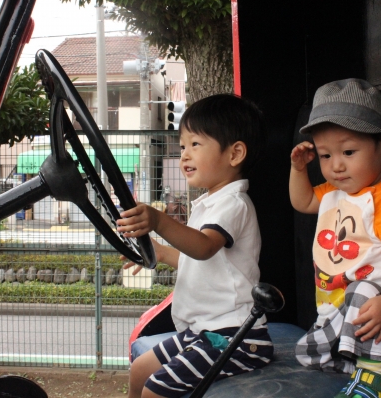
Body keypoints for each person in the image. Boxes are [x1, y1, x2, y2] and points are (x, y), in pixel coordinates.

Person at [116, 93, 272, 398]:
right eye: (183, 146)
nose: (184, 154)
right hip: (204, 330)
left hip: (235, 336)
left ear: (235, 153)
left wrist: (159, 221)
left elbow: (202, 248)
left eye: (195, 145)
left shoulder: (234, 203)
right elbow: (200, 260)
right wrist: (160, 252)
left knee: (155, 391)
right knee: (140, 370)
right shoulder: (211, 203)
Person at [289, 79, 381, 398]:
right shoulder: (336, 193)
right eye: (324, 155)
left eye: (348, 151)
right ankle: (377, 364)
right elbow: (303, 202)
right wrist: (298, 170)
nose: (336, 166)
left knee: (361, 290)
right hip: (343, 314)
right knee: (306, 352)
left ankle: (377, 380)